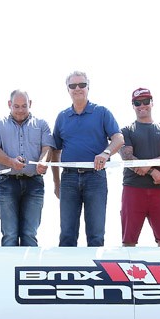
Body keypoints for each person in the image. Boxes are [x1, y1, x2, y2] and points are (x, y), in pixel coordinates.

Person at [52, 71, 124, 247]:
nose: (78, 89)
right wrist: (56, 183)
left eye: (82, 85)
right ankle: (68, 272)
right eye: (73, 86)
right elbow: (55, 151)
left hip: (96, 177)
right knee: (67, 235)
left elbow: (118, 139)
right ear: (67, 89)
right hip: (68, 179)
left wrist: (106, 153)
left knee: (96, 235)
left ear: (88, 87)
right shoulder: (62, 117)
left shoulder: (102, 112)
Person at [0, 90, 55, 246]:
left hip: (34, 184)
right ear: (9, 104)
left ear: (30, 104)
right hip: (6, 184)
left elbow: (47, 148)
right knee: (9, 234)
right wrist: (11, 162)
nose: (20, 110)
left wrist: (42, 161)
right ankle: (8, 270)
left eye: (24, 106)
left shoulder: (42, 124)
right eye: (16, 106)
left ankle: (28, 270)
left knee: (30, 234)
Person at [119, 88, 160, 247]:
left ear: (152, 103)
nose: (142, 105)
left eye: (146, 101)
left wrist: (147, 165)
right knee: (128, 241)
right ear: (133, 105)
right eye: (137, 103)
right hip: (133, 189)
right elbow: (127, 158)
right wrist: (152, 171)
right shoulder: (125, 131)